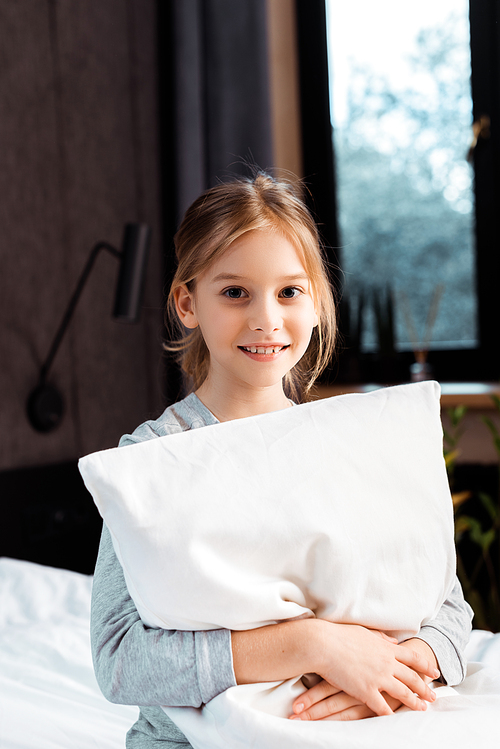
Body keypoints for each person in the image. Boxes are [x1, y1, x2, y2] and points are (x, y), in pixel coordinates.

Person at [91, 172, 473, 747]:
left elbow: (446, 603)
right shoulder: (152, 459)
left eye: (289, 292)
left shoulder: (353, 441)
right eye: (235, 292)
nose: (266, 319)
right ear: (187, 302)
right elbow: (120, 659)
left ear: (317, 303)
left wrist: (400, 663)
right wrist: (313, 643)